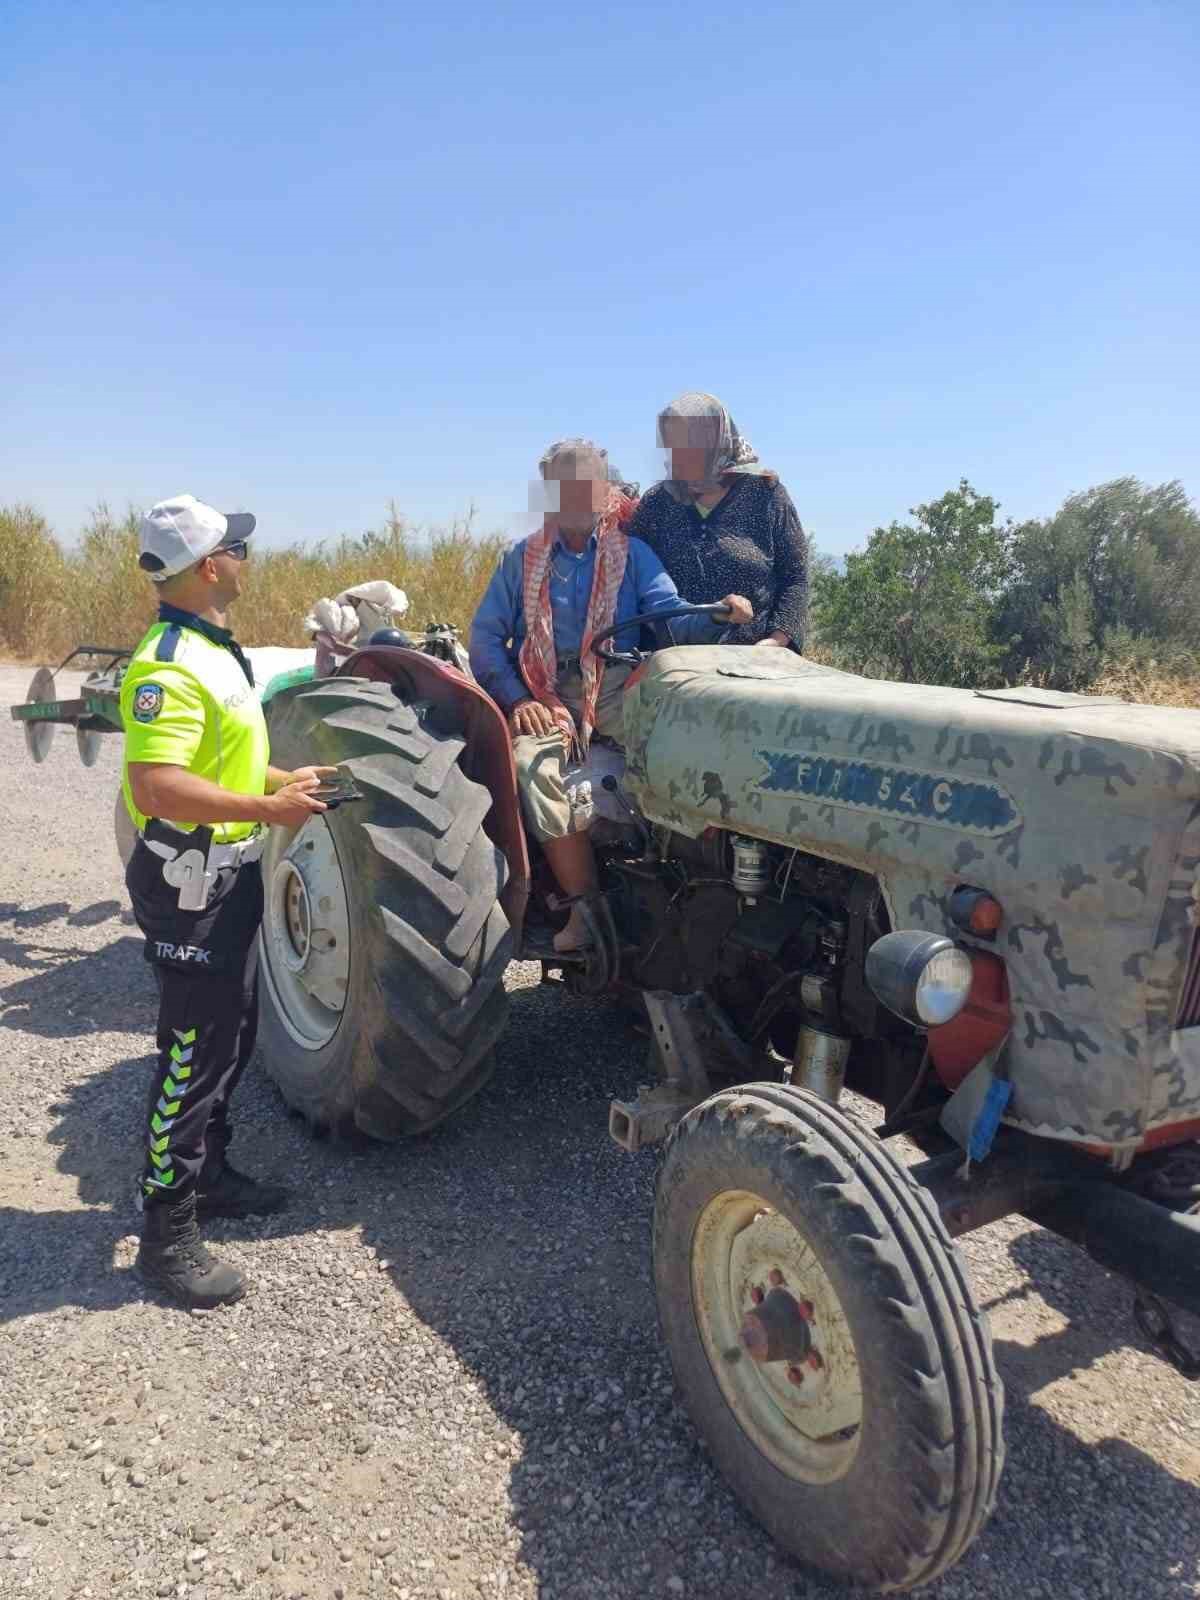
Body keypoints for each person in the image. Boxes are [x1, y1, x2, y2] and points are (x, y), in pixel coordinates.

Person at [121, 494, 334, 1309]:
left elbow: (217, 765)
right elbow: (158, 783)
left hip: (226, 868)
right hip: (188, 883)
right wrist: (268, 812)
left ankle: (207, 1174)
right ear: (210, 567)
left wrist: (282, 783)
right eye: (236, 550)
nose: (246, 559)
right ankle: (165, 1237)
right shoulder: (169, 662)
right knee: (189, 1051)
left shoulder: (213, 648)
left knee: (233, 1029)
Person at [470, 439, 752, 952]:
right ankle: (586, 910)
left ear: (604, 491)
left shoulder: (633, 555)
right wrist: (518, 700)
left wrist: (716, 615)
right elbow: (486, 639)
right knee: (534, 767)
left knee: (685, 748)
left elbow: (671, 613)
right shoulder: (522, 559)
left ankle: (683, 890)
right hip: (546, 689)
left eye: (588, 484)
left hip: (615, 685)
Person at [627, 390, 808, 649]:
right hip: (672, 663)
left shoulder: (765, 494)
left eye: (688, 442)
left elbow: (795, 577)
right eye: (672, 442)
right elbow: (628, 574)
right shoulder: (657, 503)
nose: (678, 452)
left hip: (754, 659)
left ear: (716, 441)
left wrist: (777, 641)